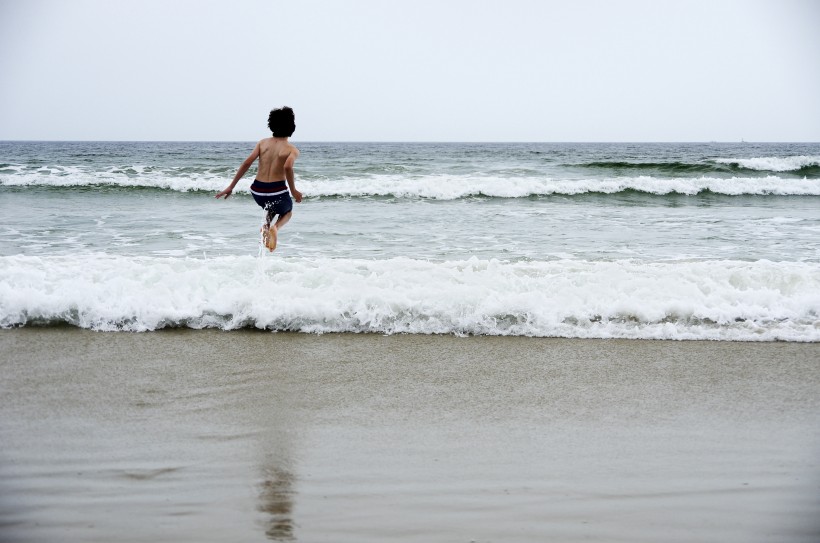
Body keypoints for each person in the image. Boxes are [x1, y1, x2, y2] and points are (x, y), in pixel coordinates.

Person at [216, 106, 303, 252]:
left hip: (258, 191)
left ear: (272, 125)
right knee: (287, 212)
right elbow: (288, 167)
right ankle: (275, 228)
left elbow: (247, 163)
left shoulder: (262, 143)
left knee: (271, 207)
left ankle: (266, 226)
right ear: (292, 127)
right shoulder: (291, 149)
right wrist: (293, 191)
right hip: (277, 190)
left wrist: (231, 186)